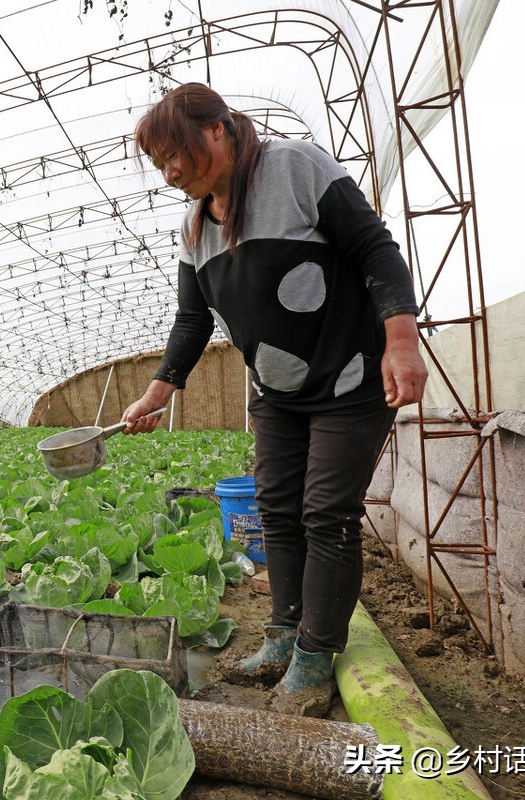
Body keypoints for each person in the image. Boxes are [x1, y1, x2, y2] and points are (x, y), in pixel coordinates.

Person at [121, 83, 428, 716]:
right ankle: (285, 635)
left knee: (326, 513)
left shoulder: (294, 167)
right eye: (159, 164)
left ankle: (317, 655)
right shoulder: (194, 227)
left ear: (218, 131)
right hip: (276, 391)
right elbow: (191, 320)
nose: (170, 171)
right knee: (278, 509)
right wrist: (159, 389)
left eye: (175, 152)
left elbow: (376, 248)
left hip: (349, 379)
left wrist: (401, 338)